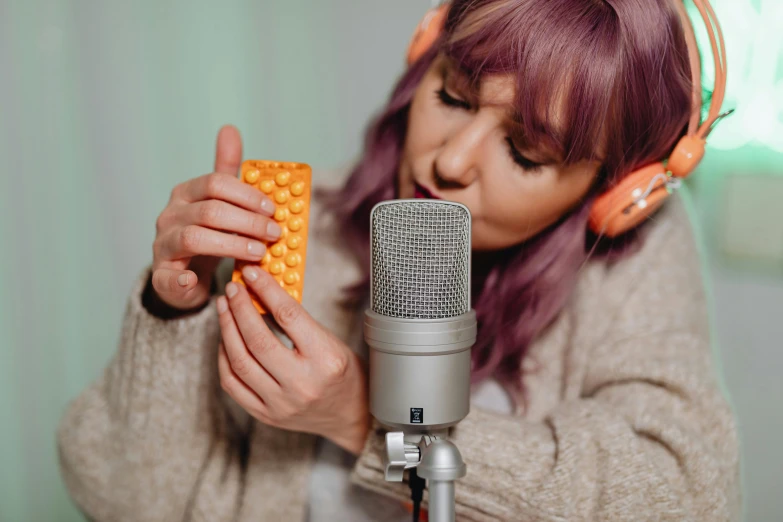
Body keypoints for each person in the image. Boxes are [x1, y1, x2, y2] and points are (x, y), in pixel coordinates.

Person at [57, 0, 741, 520]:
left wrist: (367, 422)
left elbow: (684, 491)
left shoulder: (627, 261)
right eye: (450, 96)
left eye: (525, 153)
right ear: (423, 57)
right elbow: (123, 496)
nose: (450, 161)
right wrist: (170, 312)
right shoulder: (300, 229)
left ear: (614, 193)